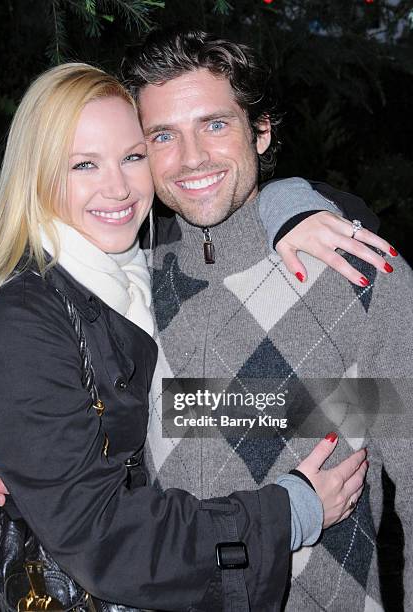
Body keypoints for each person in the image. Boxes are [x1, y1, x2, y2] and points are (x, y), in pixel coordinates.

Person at [0, 63, 368, 612]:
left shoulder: (151, 266)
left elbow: (185, 409)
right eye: (83, 165)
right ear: (38, 175)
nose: (117, 188)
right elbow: (99, 538)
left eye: (133, 156)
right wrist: (288, 513)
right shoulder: (31, 314)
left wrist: (289, 205)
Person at [114, 30, 412, 611]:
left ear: (262, 130)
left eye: (216, 124)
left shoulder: (362, 276)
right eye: (163, 135)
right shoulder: (127, 289)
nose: (192, 156)